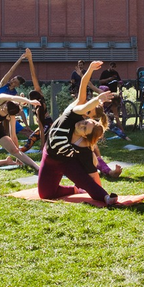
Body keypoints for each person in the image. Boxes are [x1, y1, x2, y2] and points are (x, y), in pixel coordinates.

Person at [37, 72, 121, 206]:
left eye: (84, 128)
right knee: (45, 194)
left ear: (84, 136)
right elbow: (82, 99)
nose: (81, 124)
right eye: (85, 122)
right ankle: (75, 189)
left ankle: (104, 197)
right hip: (49, 158)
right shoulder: (71, 117)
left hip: (66, 162)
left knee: (86, 182)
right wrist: (90, 71)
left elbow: (93, 175)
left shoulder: (83, 148)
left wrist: (102, 194)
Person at [0, 88, 41, 172]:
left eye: (7, 112)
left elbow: (13, 135)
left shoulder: (11, 115)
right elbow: (13, 98)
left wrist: (17, 154)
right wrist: (29, 101)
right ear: (7, 103)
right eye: (5, 108)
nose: (4, 110)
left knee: (14, 150)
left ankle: (37, 167)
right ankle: (7, 161)